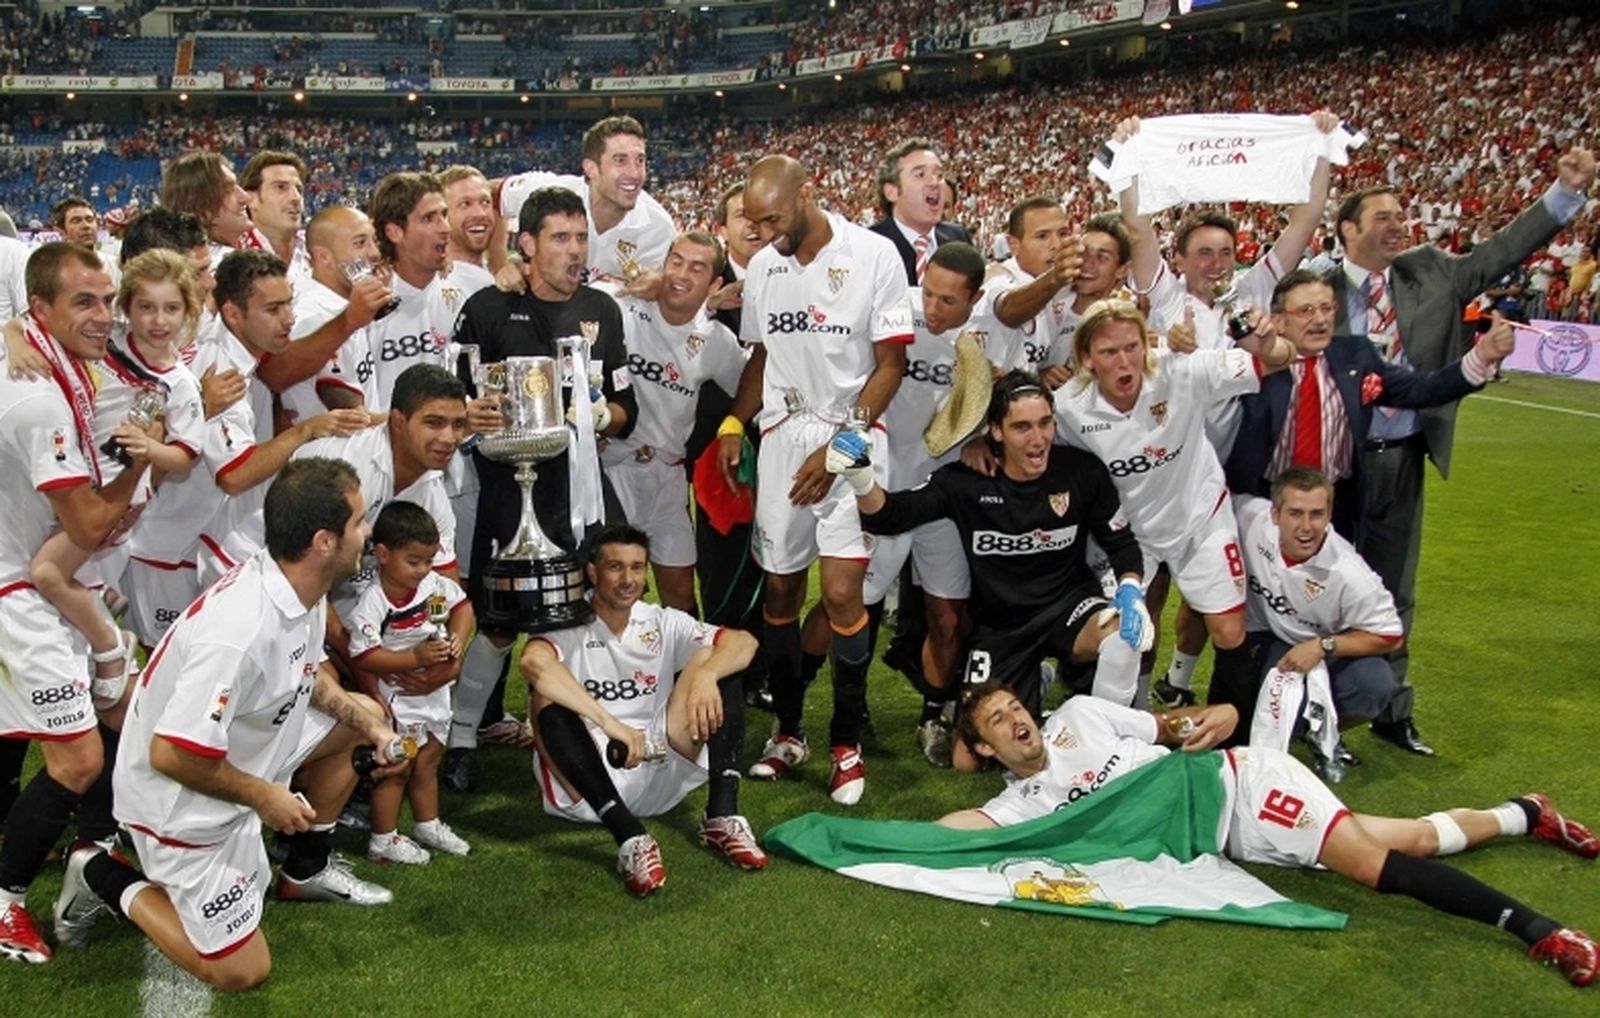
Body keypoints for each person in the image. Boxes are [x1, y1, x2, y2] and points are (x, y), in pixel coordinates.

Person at [937, 682, 1599, 988]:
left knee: (1372, 868)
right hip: (1234, 839)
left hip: (1243, 783)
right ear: (986, 748)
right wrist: (867, 844)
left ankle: (1540, 929)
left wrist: (1219, 712)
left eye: (1015, 706)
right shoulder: (1024, 803)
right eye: (998, 720)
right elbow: (945, 835)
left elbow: (1170, 729)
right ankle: (1525, 812)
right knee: (1415, 843)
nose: (1016, 718)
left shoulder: (1081, 717)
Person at [51, 459, 400, 991]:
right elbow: (171, 754)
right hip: (179, 803)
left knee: (365, 715)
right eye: (358, 522)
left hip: (239, 760)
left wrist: (366, 726)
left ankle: (305, 867)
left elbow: (305, 671)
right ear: (324, 541)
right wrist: (264, 797)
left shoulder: (294, 582)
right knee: (242, 970)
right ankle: (97, 872)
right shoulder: (239, 631)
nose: (368, 531)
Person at [1328, 146, 1597, 757]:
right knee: (1326, 590)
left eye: (1401, 214)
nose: (1398, 225)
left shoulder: (1430, 270)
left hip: (1400, 454)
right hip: (1335, 464)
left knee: (1395, 591)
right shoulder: (1317, 289)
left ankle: (1394, 712)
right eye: (1382, 217)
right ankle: (1327, 714)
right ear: (1348, 228)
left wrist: (1563, 193)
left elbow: (1500, 252)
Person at [715, 154, 911, 805]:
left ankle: (846, 743)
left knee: (843, 594)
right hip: (781, 439)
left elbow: (891, 365)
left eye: (774, 218)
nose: (766, 233)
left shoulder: (874, 255)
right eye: (755, 221)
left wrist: (838, 447)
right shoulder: (767, 267)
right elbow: (763, 355)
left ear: (809, 192)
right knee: (778, 593)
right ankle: (788, 729)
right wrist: (734, 425)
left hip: (850, 436)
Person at [444, 185, 637, 793]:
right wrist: (474, 417)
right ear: (525, 244)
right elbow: (457, 401)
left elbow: (627, 405)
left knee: (598, 608)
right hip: (507, 486)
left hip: (581, 488)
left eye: (580, 237)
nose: (574, 250)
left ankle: (605, 725)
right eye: (559, 238)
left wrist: (602, 419)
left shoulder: (603, 311)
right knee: (499, 622)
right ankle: (460, 737)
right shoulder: (486, 309)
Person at [837, 369, 1150, 723]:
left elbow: (1121, 543)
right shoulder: (962, 483)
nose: (1038, 439)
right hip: (1003, 629)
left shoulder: (1082, 472)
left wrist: (1129, 589)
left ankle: (1109, 740)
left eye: (1045, 423)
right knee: (971, 759)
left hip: (1068, 607)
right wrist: (860, 476)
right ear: (996, 431)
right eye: (1022, 427)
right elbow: (889, 518)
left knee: (1122, 635)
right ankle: (1035, 681)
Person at [0, 244, 152, 966]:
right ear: (42, 312)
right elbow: (88, 526)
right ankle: (4, 903)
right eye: (84, 303)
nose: (103, 316)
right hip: (18, 593)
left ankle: (93, 857)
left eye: (105, 300)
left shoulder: (52, 368)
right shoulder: (38, 397)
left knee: (117, 717)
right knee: (77, 760)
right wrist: (145, 460)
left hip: (43, 579)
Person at [1052, 299, 1294, 704]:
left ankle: (1229, 734)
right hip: (1128, 537)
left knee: (1230, 631)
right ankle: (1133, 718)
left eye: (1132, 347)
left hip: (1200, 518)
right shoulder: (1067, 407)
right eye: (1109, 352)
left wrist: (1267, 344)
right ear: (1087, 358)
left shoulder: (1181, 370)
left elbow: (1277, 361)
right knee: (1123, 636)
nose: (1125, 361)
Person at [521, 524, 767, 894]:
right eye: (616, 567)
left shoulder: (660, 620)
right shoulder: (568, 622)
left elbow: (744, 642)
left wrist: (707, 675)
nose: (628, 579)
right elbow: (533, 663)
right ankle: (629, 836)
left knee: (718, 666)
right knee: (545, 699)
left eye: (637, 567)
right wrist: (609, 723)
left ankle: (722, 813)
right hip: (589, 783)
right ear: (593, 571)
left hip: (660, 764)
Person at [28, 249, 206, 704]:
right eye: (146, 307)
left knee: (48, 573)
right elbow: (28, 325)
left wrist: (150, 451)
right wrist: (12, 336)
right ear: (127, 309)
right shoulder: (108, 343)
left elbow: (186, 455)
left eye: (171, 309)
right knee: (65, 579)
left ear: (188, 312)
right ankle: (102, 607)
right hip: (81, 479)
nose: (158, 320)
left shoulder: (180, 384)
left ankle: (111, 645)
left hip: (118, 495)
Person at [1225, 269, 1513, 540]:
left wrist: (1481, 356)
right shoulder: (1250, 361)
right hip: (1263, 503)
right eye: (1306, 311)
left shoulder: (1356, 356)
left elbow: (1422, 389)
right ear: (1278, 321)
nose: (1321, 320)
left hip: (1333, 508)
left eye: (1327, 308)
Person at [192, 250, 375, 587]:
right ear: (233, 313)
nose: (289, 318)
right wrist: (305, 430)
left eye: (289, 303)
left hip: (220, 533)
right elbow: (235, 474)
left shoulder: (249, 355)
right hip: (185, 544)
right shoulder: (222, 370)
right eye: (273, 309)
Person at [1228, 470, 1404, 780]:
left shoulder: (1349, 573)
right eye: (1295, 513)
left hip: (1322, 647)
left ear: (1329, 515)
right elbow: (1210, 503)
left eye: (1316, 515)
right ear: (1275, 513)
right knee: (1254, 714)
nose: (1306, 527)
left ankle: (1322, 730)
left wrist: (1323, 646)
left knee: (1375, 684)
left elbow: (1391, 634)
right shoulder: (1250, 517)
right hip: (1267, 636)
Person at [608, 231, 746, 612]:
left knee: (681, 596)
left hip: (665, 480)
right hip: (610, 470)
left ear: (714, 284)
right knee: (608, 591)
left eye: (697, 268)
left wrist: (734, 425)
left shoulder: (716, 341)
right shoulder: (622, 306)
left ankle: (683, 672)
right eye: (676, 261)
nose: (681, 274)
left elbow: (752, 387)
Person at [344, 500, 474, 864]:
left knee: (430, 757)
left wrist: (457, 642)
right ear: (382, 554)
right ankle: (383, 839)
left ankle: (427, 823)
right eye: (413, 561)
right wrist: (413, 659)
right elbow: (364, 655)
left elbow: (461, 608)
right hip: (399, 697)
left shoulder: (432, 587)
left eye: (429, 561)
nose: (423, 570)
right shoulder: (373, 601)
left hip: (434, 693)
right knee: (397, 766)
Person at [493, 115, 676, 290]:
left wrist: (657, 289)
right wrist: (499, 263)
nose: (635, 173)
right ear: (591, 168)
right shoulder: (548, 191)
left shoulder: (658, 228)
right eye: (620, 160)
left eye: (640, 160)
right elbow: (488, 194)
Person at [867, 137, 972, 284]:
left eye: (939, 175)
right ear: (892, 192)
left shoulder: (958, 237)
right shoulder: (868, 246)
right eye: (920, 175)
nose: (934, 182)